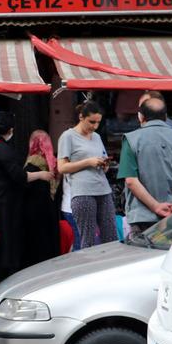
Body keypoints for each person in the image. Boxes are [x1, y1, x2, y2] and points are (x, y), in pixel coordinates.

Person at [118, 96, 172, 236]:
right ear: (166, 117)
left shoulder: (131, 139)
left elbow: (131, 180)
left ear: (141, 117)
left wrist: (156, 207)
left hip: (142, 218)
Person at [0, 111, 50, 281]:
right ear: (9, 129)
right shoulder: (3, 150)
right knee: (6, 241)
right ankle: (1, 276)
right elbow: (20, 177)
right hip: (4, 203)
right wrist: (41, 175)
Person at [58, 101, 117, 249]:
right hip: (82, 192)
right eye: (91, 122)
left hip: (103, 189)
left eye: (98, 122)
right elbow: (62, 167)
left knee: (111, 237)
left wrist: (104, 164)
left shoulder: (96, 136)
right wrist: (88, 162)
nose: (95, 126)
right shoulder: (68, 136)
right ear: (81, 117)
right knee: (88, 239)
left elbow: (101, 158)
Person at [22, 129, 60, 268]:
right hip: (50, 209)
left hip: (34, 211)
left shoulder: (32, 162)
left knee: (37, 245)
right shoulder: (53, 163)